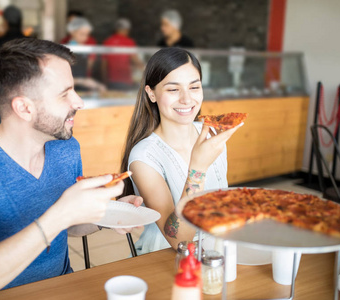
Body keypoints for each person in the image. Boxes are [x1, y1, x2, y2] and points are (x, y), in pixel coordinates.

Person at [0, 38, 141, 299]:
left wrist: (107, 215)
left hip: (63, 287)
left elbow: (70, 226)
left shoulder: (66, 149)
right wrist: (60, 214)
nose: (79, 102)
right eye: (65, 94)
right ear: (24, 108)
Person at [120, 48, 241, 255]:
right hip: (167, 259)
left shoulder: (212, 134)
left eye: (194, 87)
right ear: (151, 94)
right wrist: (198, 167)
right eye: (173, 89)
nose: (187, 99)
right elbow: (178, 241)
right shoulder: (143, 157)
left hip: (218, 250)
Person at [63, 17, 104, 92]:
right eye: (82, 34)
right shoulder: (65, 51)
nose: (85, 38)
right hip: (69, 92)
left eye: (87, 35)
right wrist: (82, 81)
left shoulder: (83, 50)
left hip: (82, 91)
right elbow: (62, 79)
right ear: (72, 32)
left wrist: (96, 84)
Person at [102, 18, 144, 90]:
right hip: (125, 80)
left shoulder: (107, 42)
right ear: (126, 30)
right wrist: (147, 72)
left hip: (111, 80)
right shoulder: (129, 42)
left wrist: (104, 80)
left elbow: (103, 64)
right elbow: (136, 61)